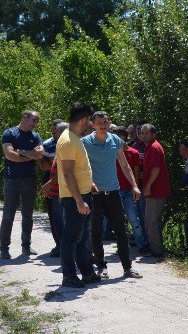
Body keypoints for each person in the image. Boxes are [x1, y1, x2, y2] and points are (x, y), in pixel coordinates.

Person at [82, 112, 143, 279]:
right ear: (92, 124)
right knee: (96, 231)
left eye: (105, 122)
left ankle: (127, 267)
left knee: (121, 230)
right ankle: (101, 266)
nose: (102, 125)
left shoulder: (115, 140)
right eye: (99, 122)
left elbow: (125, 165)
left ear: (109, 124)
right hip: (94, 193)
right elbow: (79, 167)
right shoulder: (84, 143)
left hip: (114, 192)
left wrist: (134, 186)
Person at [56, 102, 98, 288]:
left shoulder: (73, 138)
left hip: (82, 195)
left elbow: (78, 170)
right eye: (88, 120)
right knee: (71, 238)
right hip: (75, 199)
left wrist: (89, 184)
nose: (89, 125)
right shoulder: (67, 141)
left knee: (81, 237)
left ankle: (87, 273)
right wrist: (79, 200)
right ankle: (69, 276)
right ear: (83, 119)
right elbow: (67, 173)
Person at [0, 110, 44, 260]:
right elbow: (9, 155)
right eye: (33, 120)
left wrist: (22, 152)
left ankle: (26, 246)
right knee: (8, 216)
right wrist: (29, 156)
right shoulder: (9, 133)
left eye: (37, 121)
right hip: (12, 180)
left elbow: (39, 155)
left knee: (28, 216)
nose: (35, 124)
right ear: (24, 117)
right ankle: (4, 249)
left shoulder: (36, 136)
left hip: (30, 180)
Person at [113, 125, 148, 254]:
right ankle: (121, 246)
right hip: (114, 191)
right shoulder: (110, 152)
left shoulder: (133, 153)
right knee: (118, 221)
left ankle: (142, 245)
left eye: (118, 137)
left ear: (124, 138)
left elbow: (136, 172)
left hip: (128, 190)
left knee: (134, 219)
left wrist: (135, 188)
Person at [140, 124, 170, 260]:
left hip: (156, 191)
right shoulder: (150, 147)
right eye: (142, 133)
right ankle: (156, 248)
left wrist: (148, 186)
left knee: (151, 221)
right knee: (153, 221)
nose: (143, 135)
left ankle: (157, 251)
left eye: (146, 133)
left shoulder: (154, 147)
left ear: (153, 134)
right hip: (155, 190)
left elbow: (156, 168)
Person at [40, 120, 68, 256]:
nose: (54, 134)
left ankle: (67, 247)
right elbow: (44, 166)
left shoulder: (69, 144)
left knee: (65, 217)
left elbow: (63, 169)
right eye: (53, 132)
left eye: (56, 131)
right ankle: (59, 245)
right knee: (54, 216)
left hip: (61, 183)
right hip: (51, 180)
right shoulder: (47, 144)